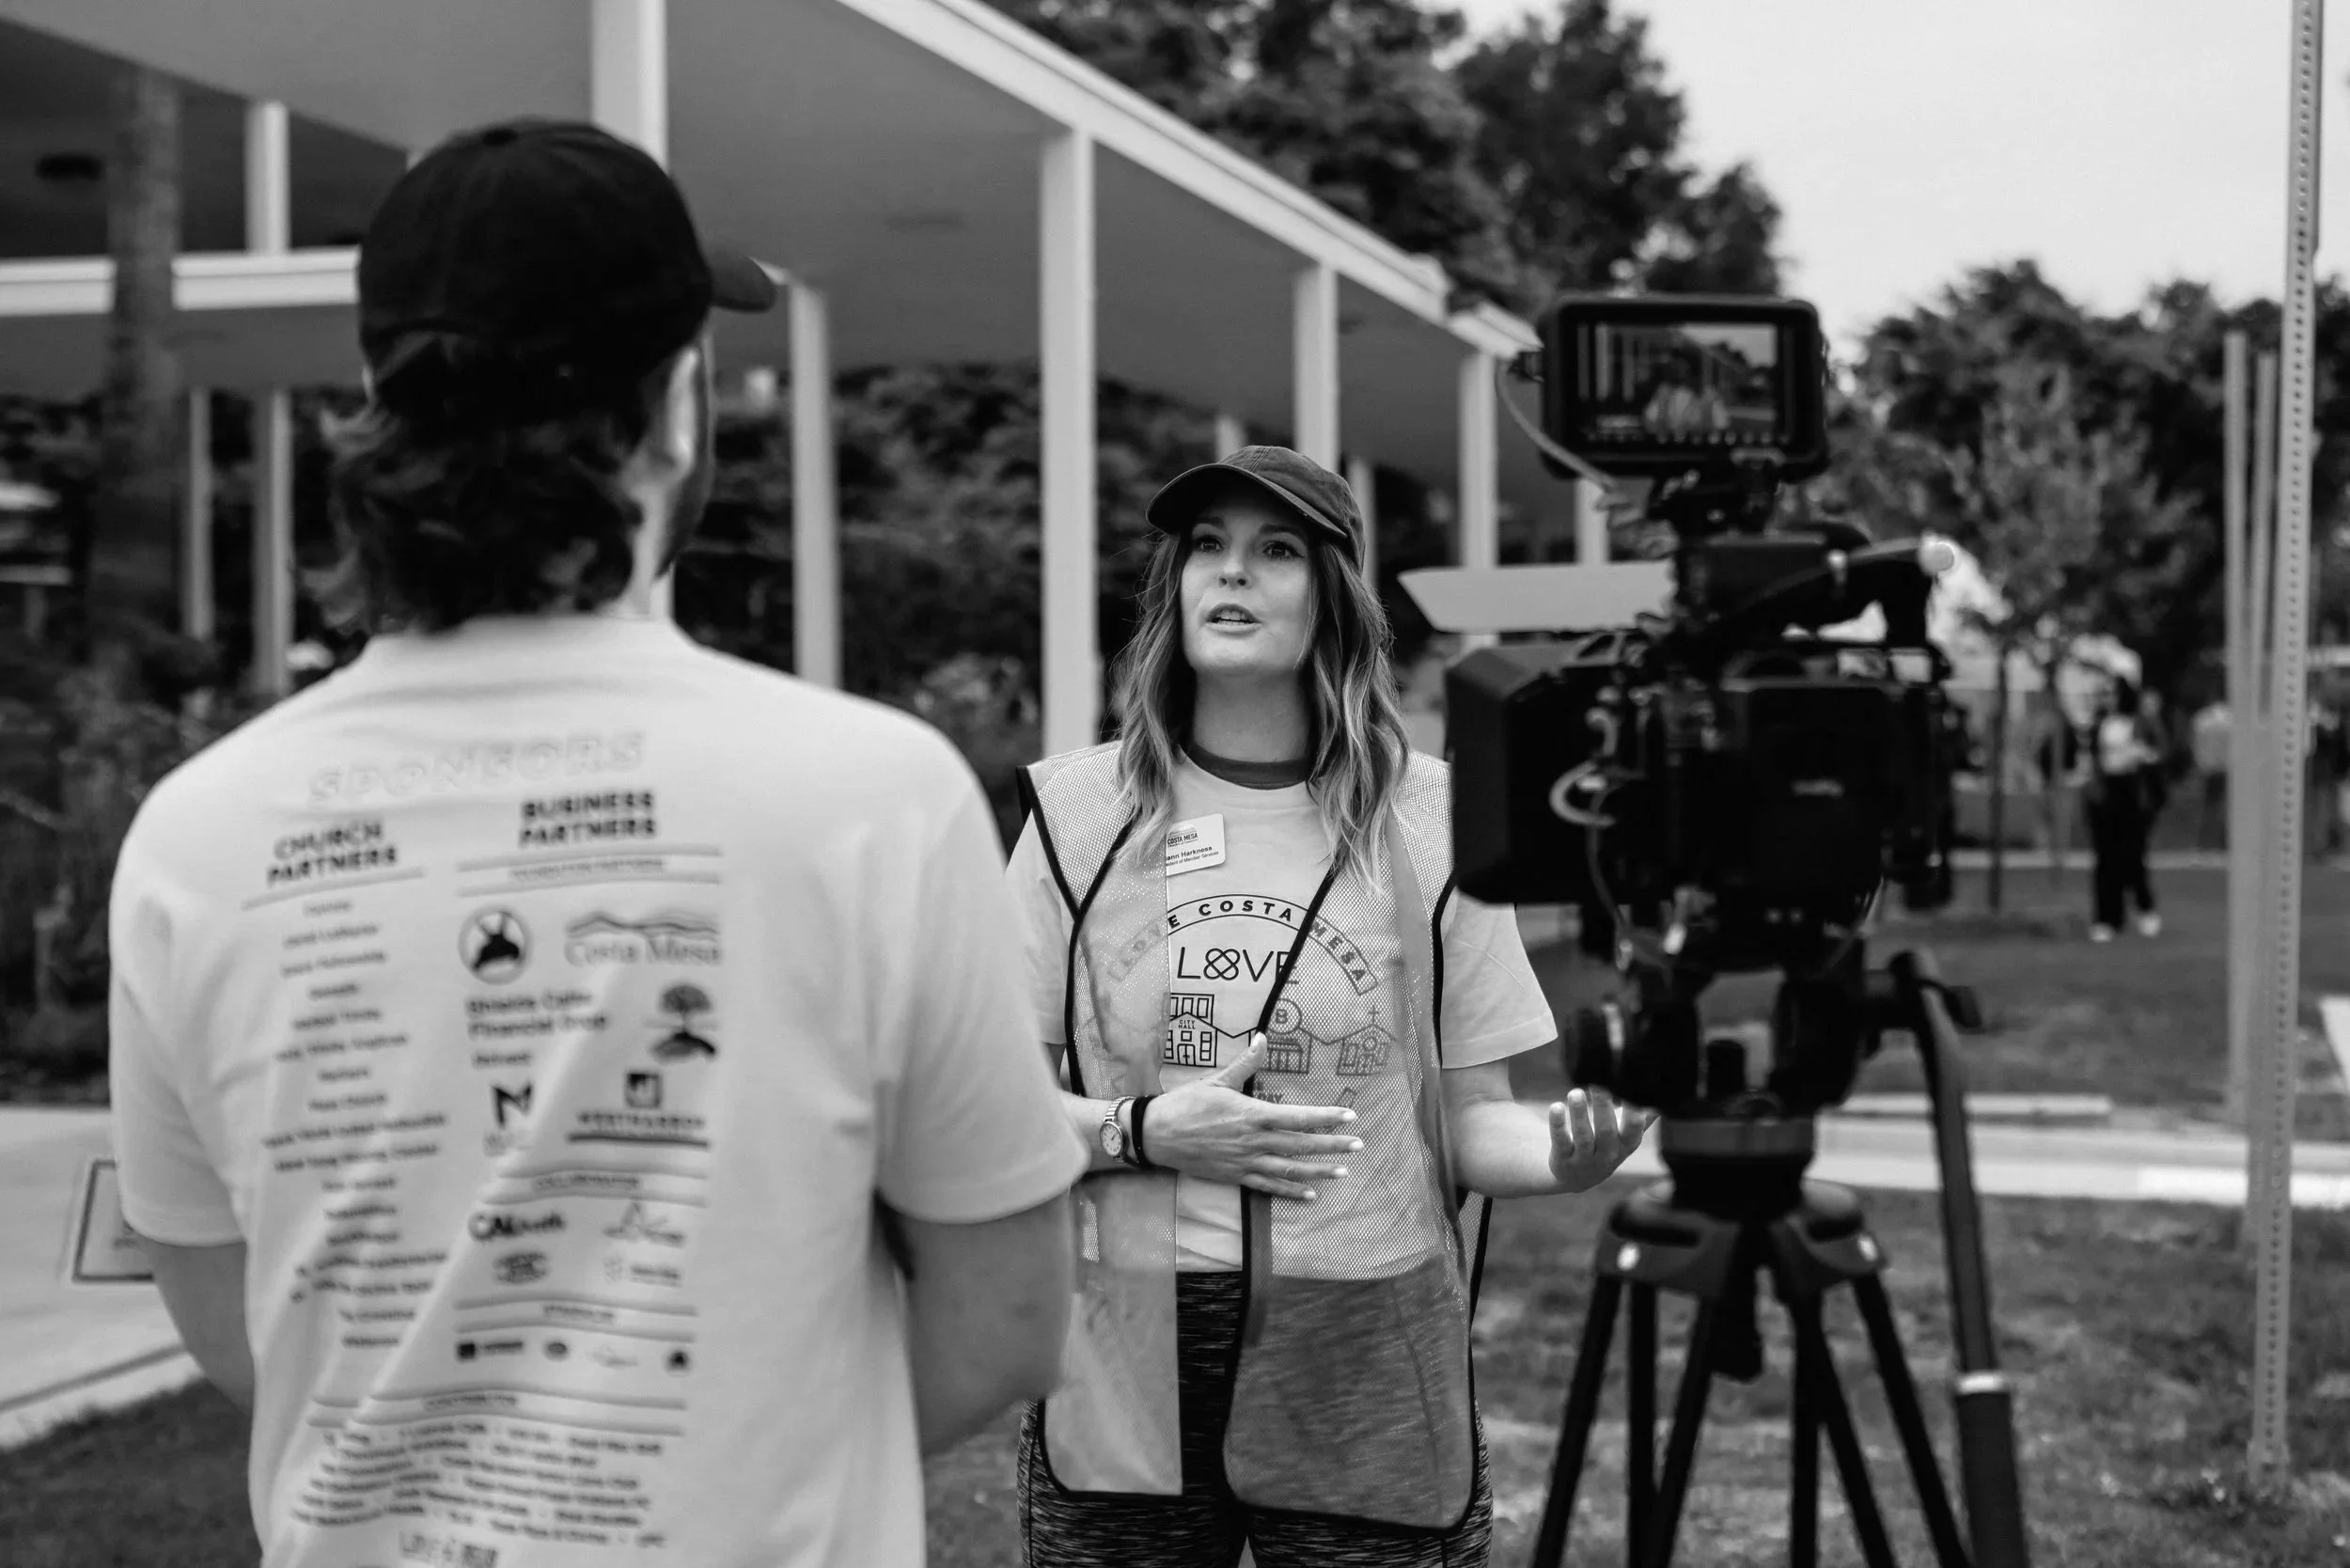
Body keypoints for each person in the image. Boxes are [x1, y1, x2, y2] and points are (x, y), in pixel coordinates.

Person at [108, 119, 1083, 1568]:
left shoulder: (193, 835)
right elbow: (1005, 1322)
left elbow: (234, 1323)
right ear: (678, 407)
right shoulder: (872, 794)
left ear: (379, 403)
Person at [1006, 445, 1653, 1567]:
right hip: (1125, 1336)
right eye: (1206, 547)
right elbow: (991, 1104)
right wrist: (1143, 1131)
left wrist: (1564, 1155)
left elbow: (1470, 1115)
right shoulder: (1075, 811)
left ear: (1334, 596)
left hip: (1364, 1329)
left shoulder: (1437, 818)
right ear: (1173, 587)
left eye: (1275, 550)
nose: (1231, 572)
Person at [2084, 680, 2163, 940]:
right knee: (2106, 859)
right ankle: (2107, 918)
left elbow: (2159, 752)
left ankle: (2145, 906)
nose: (2107, 699)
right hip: (2107, 793)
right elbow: (2093, 759)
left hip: (2131, 792)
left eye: (2112, 694)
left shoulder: (2139, 723)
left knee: (2133, 855)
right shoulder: (2100, 725)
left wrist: (2143, 757)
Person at [2190, 698, 2231, 851]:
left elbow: (2196, 745)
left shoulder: (2201, 720)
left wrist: (2200, 763)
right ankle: (2223, 840)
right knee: (2226, 805)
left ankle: (2205, 841)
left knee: (2209, 805)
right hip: (2226, 767)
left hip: (2209, 767)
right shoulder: (2231, 719)